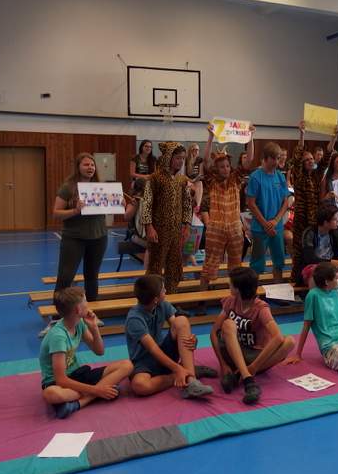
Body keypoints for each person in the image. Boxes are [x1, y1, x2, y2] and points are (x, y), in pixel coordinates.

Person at [40, 287, 132, 419]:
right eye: (85, 301)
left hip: (77, 374)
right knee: (51, 394)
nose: (88, 304)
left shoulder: (79, 323)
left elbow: (99, 351)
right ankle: (99, 392)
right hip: (57, 382)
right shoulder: (58, 336)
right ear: (78, 309)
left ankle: (78, 403)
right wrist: (97, 390)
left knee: (127, 365)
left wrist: (94, 327)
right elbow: (61, 380)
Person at [210, 268, 295, 404]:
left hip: (253, 356)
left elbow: (278, 337)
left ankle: (239, 375)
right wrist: (223, 364)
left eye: (230, 284)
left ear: (238, 289)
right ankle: (247, 379)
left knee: (290, 341)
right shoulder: (230, 301)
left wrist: (254, 366)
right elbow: (213, 332)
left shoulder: (261, 308)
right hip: (232, 352)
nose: (228, 286)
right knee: (228, 324)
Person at [126, 274, 216, 398]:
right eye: (163, 290)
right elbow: (153, 349)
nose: (166, 291)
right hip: (143, 361)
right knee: (140, 385)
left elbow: (178, 326)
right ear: (155, 299)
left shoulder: (163, 305)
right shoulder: (134, 319)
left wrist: (190, 339)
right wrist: (177, 369)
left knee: (181, 320)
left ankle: (191, 382)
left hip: (164, 352)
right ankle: (186, 373)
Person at [199, 123, 255, 290]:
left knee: (236, 266)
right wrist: (210, 136)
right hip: (215, 229)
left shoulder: (235, 179)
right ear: (216, 168)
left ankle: (235, 296)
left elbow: (249, 161)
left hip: (235, 228)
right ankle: (201, 299)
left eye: (227, 166)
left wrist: (251, 137)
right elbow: (206, 160)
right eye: (221, 166)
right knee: (209, 265)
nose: (225, 169)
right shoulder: (211, 180)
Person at [53, 153, 108, 303]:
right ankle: (58, 313)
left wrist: (118, 203)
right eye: (86, 164)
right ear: (78, 167)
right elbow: (56, 213)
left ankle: (90, 311)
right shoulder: (68, 188)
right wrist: (75, 211)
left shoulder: (100, 187)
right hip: (74, 238)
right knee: (65, 277)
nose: (90, 167)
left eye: (92, 165)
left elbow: (109, 208)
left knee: (92, 276)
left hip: (99, 238)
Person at [288, 121, 337, 284]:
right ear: (302, 163)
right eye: (307, 160)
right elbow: (297, 157)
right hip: (301, 221)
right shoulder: (299, 176)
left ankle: (314, 279)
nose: (310, 161)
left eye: (311, 159)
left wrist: (333, 136)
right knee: (298, 252)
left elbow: (326, 158)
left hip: (314, 220)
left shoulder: (316, 176)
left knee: (314, 251)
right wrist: (302, 133)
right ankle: (296, 280)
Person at [141, 142, 193, 294]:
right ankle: (152, 298)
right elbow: (147, 203)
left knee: (174, 265)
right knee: (156, 266)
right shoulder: (155, 178)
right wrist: (149, 227)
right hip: (158, 231)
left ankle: (171, 297)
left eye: (183, 158)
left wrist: (187, 226)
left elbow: (187, 204)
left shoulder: (182, 180)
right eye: (177, 158)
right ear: (168, 158)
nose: (181, 161)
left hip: (176, 231)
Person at [301, 205, 338, 312]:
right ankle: (317, 305)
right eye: (334, 219)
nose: (337, 221)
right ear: (325, 222)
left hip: (333, 267)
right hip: (316, 266)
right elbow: (309, 258)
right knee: (313, 269)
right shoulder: (309, 233)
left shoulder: (335, 231)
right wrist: (332, 262)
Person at [247, 142, 291, 281]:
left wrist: (276, 221)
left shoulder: (280, 176)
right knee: (257, 265)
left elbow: (285, 202)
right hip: (260, 228)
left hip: (277, 227)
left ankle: (278, 289)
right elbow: (251, 203)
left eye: (279, 158)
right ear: (266, 158)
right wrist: (265, 224)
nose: (277, 162)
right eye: (274, 158)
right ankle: (252, 292)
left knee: (279, 262)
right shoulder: (255, 177)